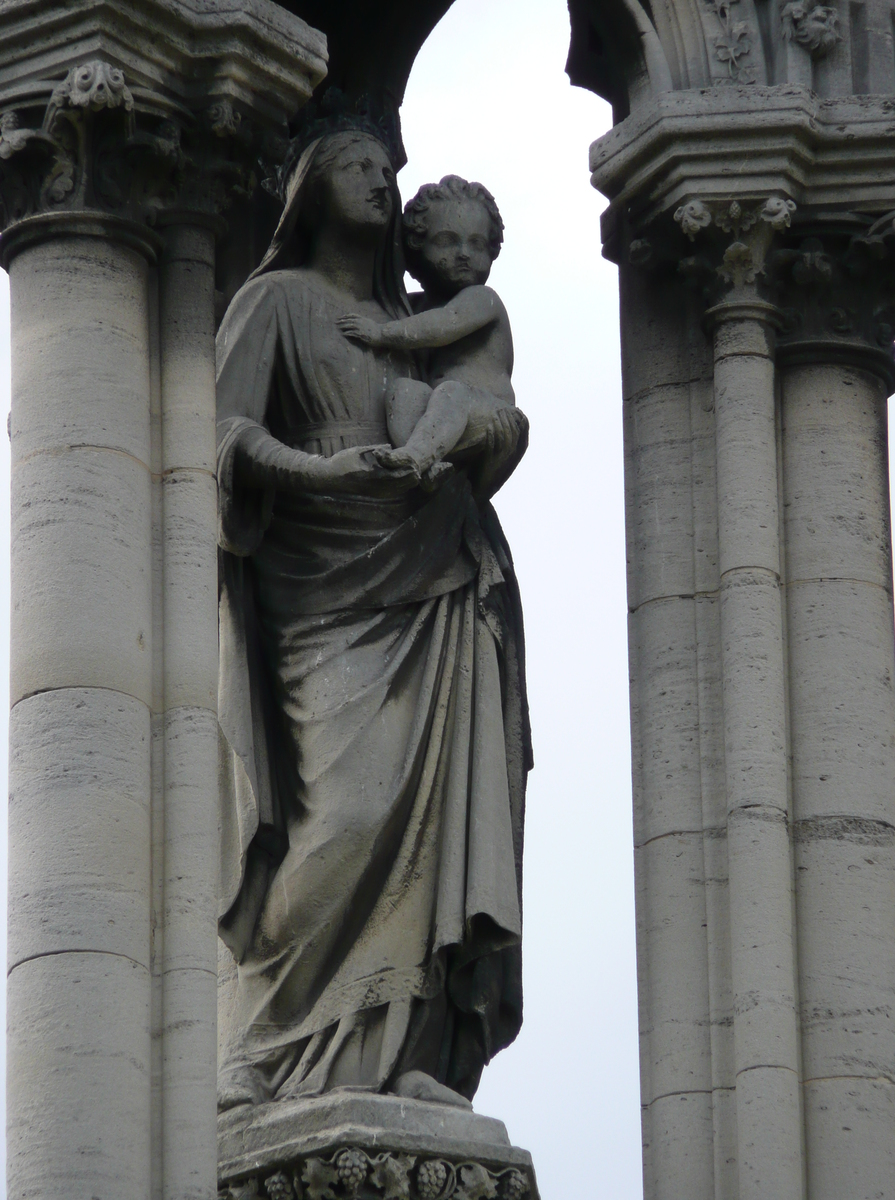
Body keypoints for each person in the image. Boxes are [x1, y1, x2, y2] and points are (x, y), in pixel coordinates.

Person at [215, 125, 532, 1113]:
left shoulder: (425, 317)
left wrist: (473, 434)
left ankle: (404, 1051)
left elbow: (487, 412)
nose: (384, 184)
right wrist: (319, 470)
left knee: (429, 819)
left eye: (391, 172)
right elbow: (223, 432)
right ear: (312, 188)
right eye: (361, 168)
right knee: (341, 816)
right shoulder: (277, 302)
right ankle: (267, 1044)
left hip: (435, 569)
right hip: (322, 577)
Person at [337, 175, 515, 490]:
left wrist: (381, 334)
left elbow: (442, 326)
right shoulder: (411, 307)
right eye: (448, 240)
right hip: (443, 419)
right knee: (403, 391)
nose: (463, 253)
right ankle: (424, 467)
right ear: (417, 247)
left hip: (489, 412)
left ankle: (416, 457)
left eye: (476, 244)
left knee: (451, 392)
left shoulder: (482, 299)